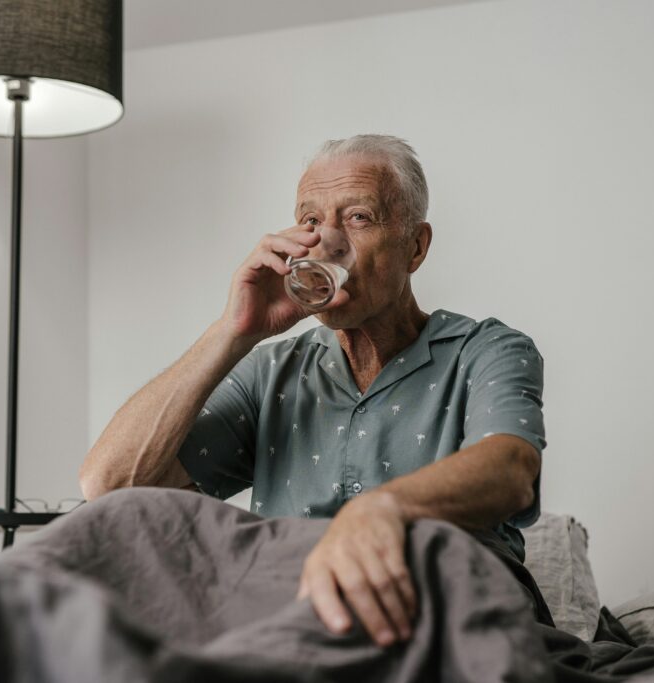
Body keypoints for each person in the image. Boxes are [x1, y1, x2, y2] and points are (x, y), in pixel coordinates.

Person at [79, 134, 547, 651]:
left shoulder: (486, 349)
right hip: (296, 625)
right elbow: (110, 484)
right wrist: (232, 331)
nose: (327, 242)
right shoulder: (272, 371)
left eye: (359, 218)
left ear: (415, 246)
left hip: (445, 618)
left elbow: (510, 470)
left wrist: (381, 510)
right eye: (309, 222)